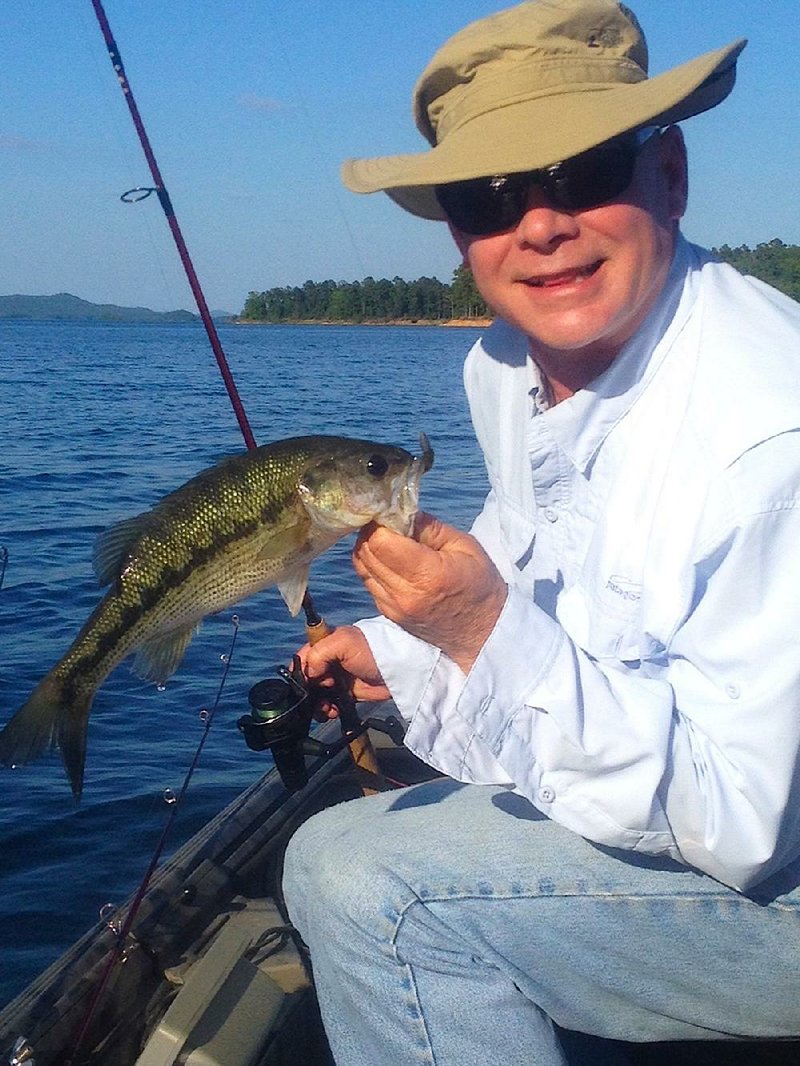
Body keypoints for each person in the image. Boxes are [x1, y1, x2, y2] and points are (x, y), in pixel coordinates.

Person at [282, 1, 800, 1063]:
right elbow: (530, 563)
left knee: (362, 881)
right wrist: (404, 645)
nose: (538, 223)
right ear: (455, 228)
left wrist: (474, 635)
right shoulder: (507, 364)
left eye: (582, 172)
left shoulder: (768, 432)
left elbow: (746, 826)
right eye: (488, 194)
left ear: (669, 175)